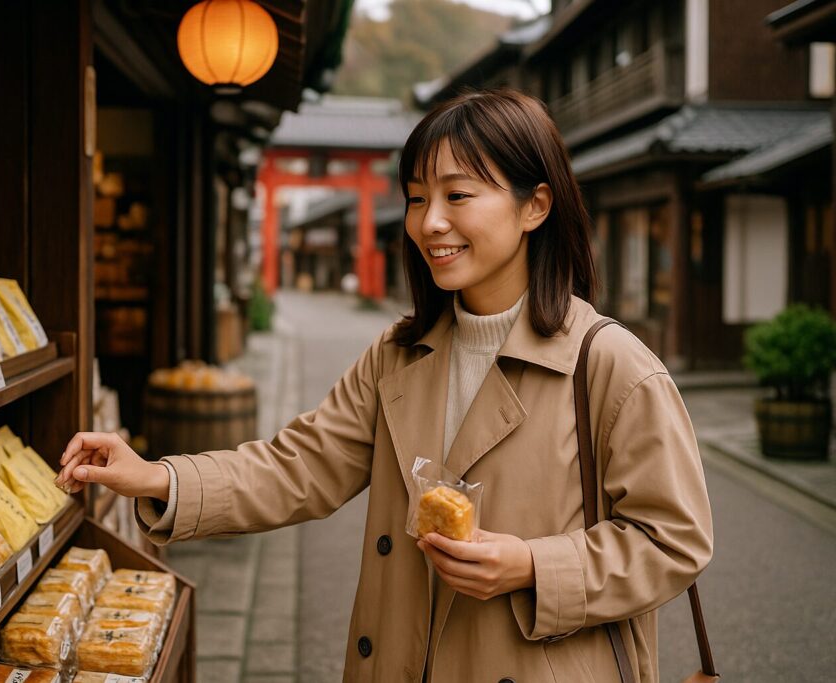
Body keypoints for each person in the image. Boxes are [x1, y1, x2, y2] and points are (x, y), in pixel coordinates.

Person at [57, 89, 713, 682]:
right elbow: (299, 465)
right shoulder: (401, 354)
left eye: (458, 195)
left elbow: (674, 539)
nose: (429, 222)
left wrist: (535, 566)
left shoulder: (612, 364)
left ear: (535, 205)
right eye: (417, 196)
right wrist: (156, 478)